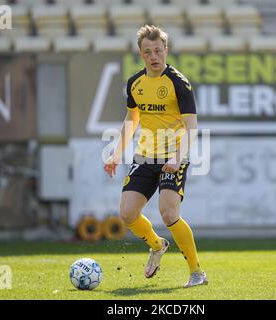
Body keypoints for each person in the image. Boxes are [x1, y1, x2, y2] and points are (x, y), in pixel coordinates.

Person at [103, 25, 207, 288]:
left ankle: (196, 272)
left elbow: (192, 128)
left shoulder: (179, 83)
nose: (154, 56)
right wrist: (116, 153)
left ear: (166, 51)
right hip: (145, 157)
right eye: (148, 52)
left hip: (174, 156)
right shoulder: (135, 83)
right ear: (141, 53)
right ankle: (157, 246)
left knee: (168, 212)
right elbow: (132, 119)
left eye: (158, 51)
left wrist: (176, 157)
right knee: (127, 213)